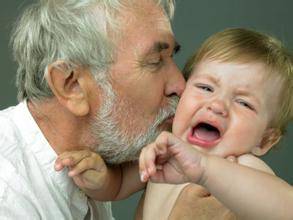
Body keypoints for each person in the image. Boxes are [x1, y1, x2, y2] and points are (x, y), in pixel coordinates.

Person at [0, 0, 185, 219]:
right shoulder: (8, 197)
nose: (180, 85)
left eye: (171, 57)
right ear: (72, 86)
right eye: (155, 61)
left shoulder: (93, 161)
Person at [138, 28, 293, 219]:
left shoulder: (245, 169)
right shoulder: (162, 152)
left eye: (243, 103)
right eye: (206, 87)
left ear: (264, 140)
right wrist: (104, 181)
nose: (218, 105)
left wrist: (205, 170)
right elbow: (120, 185)